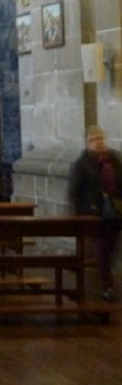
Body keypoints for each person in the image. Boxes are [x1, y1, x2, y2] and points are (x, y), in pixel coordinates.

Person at [68, 125, 122, 301]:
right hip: (94, 213)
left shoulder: (113, 159)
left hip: (115, 211)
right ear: (87, 143)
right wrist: (79, 216)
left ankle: (107, 280)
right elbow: (74, 192)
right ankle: (107, 285)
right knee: (102, 248)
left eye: (100, 139)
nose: (98, 143)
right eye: (93, 140)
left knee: (111, 247)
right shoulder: (82, 164)